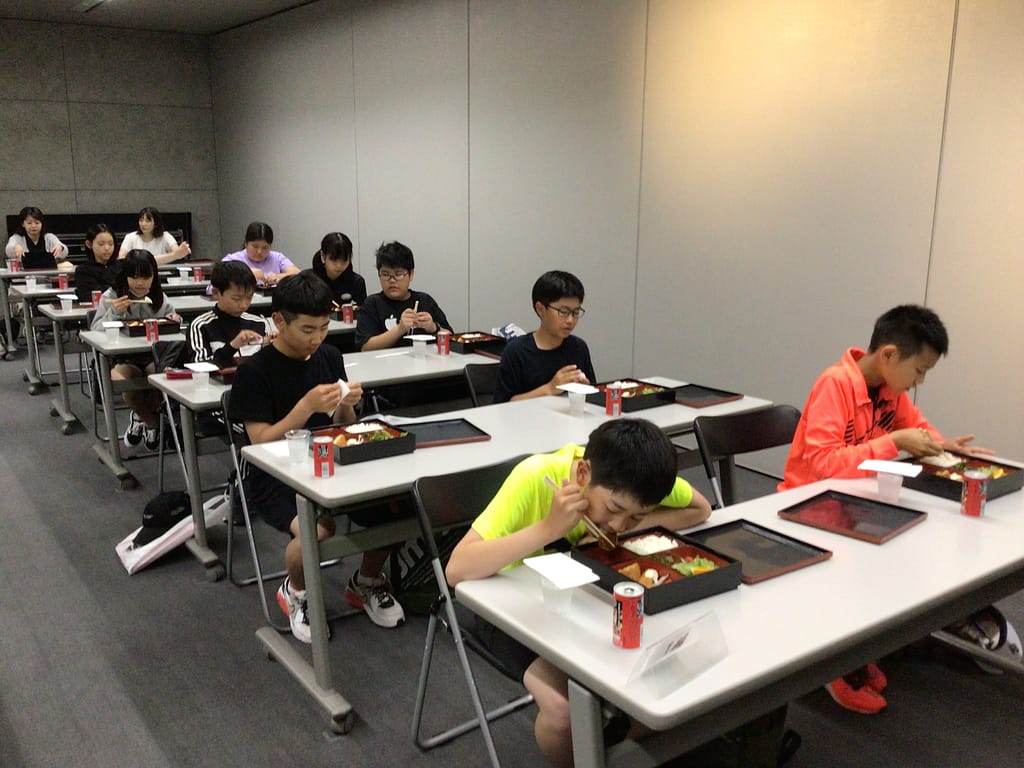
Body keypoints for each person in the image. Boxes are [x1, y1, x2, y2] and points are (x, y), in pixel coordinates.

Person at [446, 419, 712, 767]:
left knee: (674, 672)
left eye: (636, 516)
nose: (619, 525)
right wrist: (549, 528)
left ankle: (611, 746)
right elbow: (456, 569)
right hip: (510, 610)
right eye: (614, 509)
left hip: (583, 601)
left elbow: (700, 508)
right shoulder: (536, 476)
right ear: (584, 473)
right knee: (564, 711)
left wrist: (630, 527)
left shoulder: (642, 479)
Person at [780, 303, 993, 715]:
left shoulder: (889, 389)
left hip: (855, 501)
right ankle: (832, 666)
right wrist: (894, 443)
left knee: (907, 552)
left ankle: (854, 651)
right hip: (806, 505)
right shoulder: (835, 384)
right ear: (889, 355)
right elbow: (823, 463)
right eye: (919, 371)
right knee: (867, 565)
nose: (919, 381)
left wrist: (943, 446)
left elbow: (918, 427)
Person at [227, 271, 406, 643]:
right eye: (307, 329)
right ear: (279, 322)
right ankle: (296, 590)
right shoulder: (255, 371)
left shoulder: (329, 356)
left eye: (324, 327)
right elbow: (259, 443)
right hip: (275, 474)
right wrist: (305, 407)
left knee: (398, 506)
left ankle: (366, 580)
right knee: (318, 530)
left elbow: (343, 424)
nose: (317, 337)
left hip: (330, 460)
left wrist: (346, 403)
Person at [91, 250, 182, 450]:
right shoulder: (112, 295)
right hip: (123, 358)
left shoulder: (159, 297)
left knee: (161, 378)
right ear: (125, 276)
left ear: (154, 277)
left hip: (152, 356)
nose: (140, 283)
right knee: (123, 381)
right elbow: (95, 330)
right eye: (134, 277)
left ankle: (141, 416)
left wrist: (174, 320)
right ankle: (151, 421)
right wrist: (114, 312)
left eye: (146, 277)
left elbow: (173, 320)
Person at [494, 270, 596, 403]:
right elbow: (502, 406)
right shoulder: (517, 351)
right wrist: (549, 389)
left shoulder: (578, 348)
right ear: (540, 309)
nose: (570, 320)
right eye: (563, 311)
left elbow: (593, 395)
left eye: (576, 312)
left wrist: (585, 389)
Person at [354, 241, 451, 351]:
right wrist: (400, 329)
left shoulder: (425, 300)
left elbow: (451, 338)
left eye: (398, 274)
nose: (392, 280)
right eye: (385, 274)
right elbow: (365, 347)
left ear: (411, 274)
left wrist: (433, 328)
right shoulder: (372, 304)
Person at [187, 261, 270, 368]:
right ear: (216, 293)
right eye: (236, 299)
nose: (244, 305)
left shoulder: (259, 323)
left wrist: (277, 346)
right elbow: (200, 367)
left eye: (249, 297)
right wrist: (232, 346)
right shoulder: (201, 326)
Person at [222, 221, 299, 285]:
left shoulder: (277, 257)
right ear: (246, 244)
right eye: (255, 246)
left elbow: (297, 273)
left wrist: (279, 276)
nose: (259, 251)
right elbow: (220, 273)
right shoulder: (234, 259)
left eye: (265, 248)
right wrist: (247, 273)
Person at [5, 206, 72, 270]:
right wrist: (15, 247)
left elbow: (65, 252)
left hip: (49, 273)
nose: (33, 226)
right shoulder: (16, 238)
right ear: (23, 224)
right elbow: (8, 251)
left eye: (37, 223)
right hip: (25, 274)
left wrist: (60, 247)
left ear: (41, 223)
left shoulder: (49, 237)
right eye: (29, 223)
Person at [118, 207, 191, 265]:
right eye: (141, 220)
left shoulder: (166, 236)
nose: (143, 224)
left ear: (156, 223)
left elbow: (178, 253)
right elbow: (121, 259)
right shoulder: (130, 237)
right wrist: (173, 255)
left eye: (148, 221)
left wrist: (182, 250)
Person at [312, 232, 366, 305]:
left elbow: (362, 310)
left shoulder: (357, 282)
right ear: (323, 256)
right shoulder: (310, 281)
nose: (339, 266)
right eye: (333, 260)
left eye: (344, 260)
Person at [75, 223, 120, 303]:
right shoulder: (83, 271)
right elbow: (88, 297)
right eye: (101, 244)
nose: (107, 248)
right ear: (89, 244)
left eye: (110, 244)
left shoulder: (121, 267)